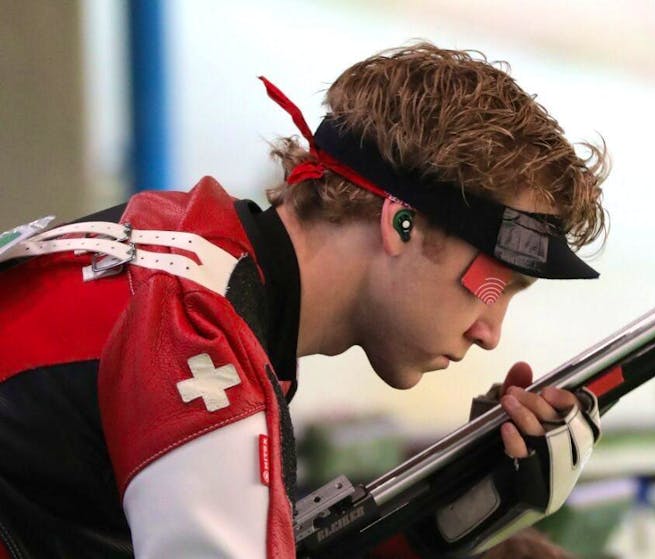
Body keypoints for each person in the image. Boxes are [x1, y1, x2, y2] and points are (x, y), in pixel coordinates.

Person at [0, 42, 608, 558]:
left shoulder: (189, 256)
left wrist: (448, 503)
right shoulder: (197, 340)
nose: (490, 333)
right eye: (494, 287)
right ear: (401, 223)